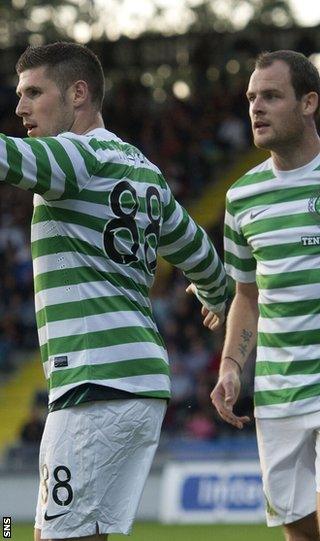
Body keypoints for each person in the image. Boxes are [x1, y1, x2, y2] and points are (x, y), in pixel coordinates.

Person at [0, 42, 226, 541]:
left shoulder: (75, 156)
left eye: (34, 93)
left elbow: (8, 157)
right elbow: (199, 254)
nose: (20, 108)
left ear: (78, 93)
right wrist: (216, 293)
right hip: (140, 383)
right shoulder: (144, 169)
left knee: (55, 537)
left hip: (95, 383)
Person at [209, 50, 320, 540]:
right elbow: (246, 297)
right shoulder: (241, 197)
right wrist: (231, 365)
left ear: (309, 102)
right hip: (276, 394)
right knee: (299, 530)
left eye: (271, 96)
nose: (256, 107)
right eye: (252, 97)